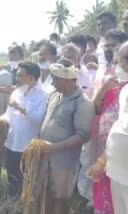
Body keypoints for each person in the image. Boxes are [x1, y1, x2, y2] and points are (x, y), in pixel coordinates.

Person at [40, 59, 95, 214]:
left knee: (60, 199)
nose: (51, 83)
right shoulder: (55, 95)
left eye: (55, 79)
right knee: (45, 194)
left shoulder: (83, 103)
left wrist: (54, 147)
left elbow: (81, 136)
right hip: (45, 157)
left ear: (66, 80)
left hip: (64, 161)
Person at [88, 41, 128, 214]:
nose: (122, 66)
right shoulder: (124, 90)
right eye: (120, 60)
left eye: (125, 60)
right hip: (117, 172)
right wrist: (102, 161)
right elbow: (119, 130)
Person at [3, 62, 47, 195]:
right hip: (11, 142)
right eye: (17, 75)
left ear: (31, 77)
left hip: (28, 145)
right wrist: (0, 121)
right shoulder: (16, 92)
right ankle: (11, 203)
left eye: (21, 75)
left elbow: (39, 119)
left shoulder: (43, 95)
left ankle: (24, 204)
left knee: (26, 178)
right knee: (11, 174)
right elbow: (8, 114)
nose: (17, 78)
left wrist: (21, 108)